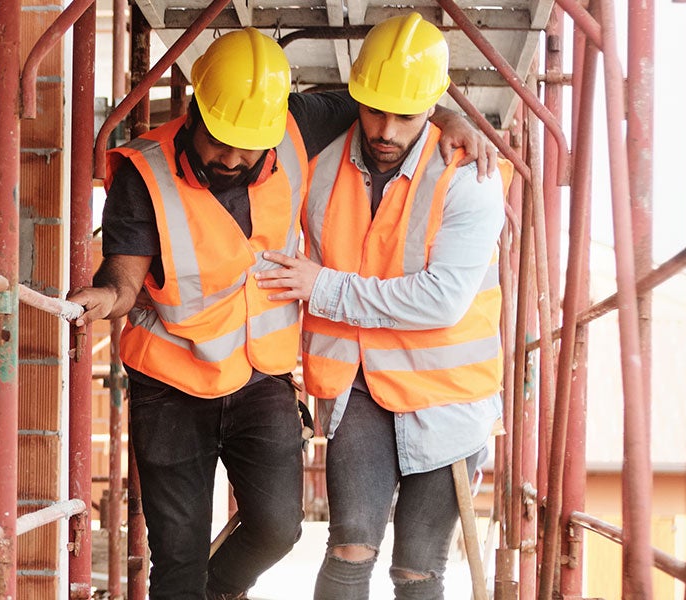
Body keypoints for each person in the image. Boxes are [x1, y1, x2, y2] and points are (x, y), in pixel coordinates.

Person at [65, 27, 493, 599]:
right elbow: (124, 276)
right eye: (221, 140)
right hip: (171, 384)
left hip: (261, 375)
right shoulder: (145, 176)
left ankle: (212, 593)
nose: (236, 157)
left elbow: (391, 103)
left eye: (251, 144)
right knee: (180, 558)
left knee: (278, 528)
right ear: (195, 110)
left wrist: (451, 120)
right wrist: (106, 299)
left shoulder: (297, 123)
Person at [252, 13, 509, 599]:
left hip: (446, 397)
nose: (386, 129)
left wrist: (323, 288)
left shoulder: (469, 175)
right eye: (374, 110)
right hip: (358, 383)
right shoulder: (317, 157)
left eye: (407, 115)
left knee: (418, 566)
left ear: (433, 105)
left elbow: (443, 300)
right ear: (355, 96)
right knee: (349, 544)